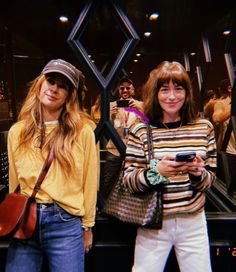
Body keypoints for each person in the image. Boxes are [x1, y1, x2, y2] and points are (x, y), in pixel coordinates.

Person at [6, 59, 99, 272]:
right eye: (50, 81)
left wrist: (88, 226)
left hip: (65, 222)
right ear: (40, 84)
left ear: (69, 95)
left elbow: (89, 181)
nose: (54, 88)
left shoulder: (82, 132)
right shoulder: (17, 132)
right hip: (26, 222)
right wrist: (13, 216)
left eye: (63, 85)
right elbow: (14, 182)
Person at [123, 61, 217, 272]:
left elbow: (210, 180)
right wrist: (157, 173)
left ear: (187, 92)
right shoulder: (140, 130)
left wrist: (197, 173)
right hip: (153, 222)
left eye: (178, 89)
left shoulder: (204, 128)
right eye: (165, 90)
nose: (172, 96)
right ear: (155, 94)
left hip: (193, 222)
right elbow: (128, 180)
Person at [100, 77, 143, 199]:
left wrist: (139, 110)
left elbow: (148, 122)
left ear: (133, 90)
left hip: (133, 150)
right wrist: (110, 116)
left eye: (128, 88)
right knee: (108, 180)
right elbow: (103, 127)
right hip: (114, 149)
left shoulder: (140, 105)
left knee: (132, 180)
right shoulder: (111, 106)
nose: (125, 90)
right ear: (118, 90)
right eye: (122, 88)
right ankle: (103, 207)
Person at [212, 78, 235, 195]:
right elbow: (216, 119)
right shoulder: (221, 103)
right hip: (229, 152)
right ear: (230, 89)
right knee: (230, 191)